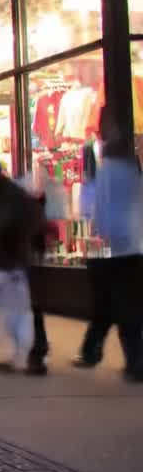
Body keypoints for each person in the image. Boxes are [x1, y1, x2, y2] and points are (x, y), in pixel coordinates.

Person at [73, 114, 143, 380]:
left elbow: (98, 213)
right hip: (133, 248)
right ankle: (131, 360)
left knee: (109, 307)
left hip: (112, 249)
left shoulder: (106, 175)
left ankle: (97, 353)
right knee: (126, 308)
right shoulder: (132, 174)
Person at [0, 164, 46, 373]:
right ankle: (27, 354)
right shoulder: (16, 195)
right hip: (16, 261)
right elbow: (34, 217)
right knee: (19, 310)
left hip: (3, 262)